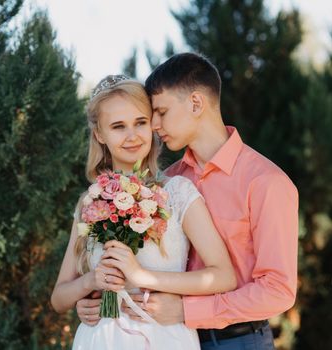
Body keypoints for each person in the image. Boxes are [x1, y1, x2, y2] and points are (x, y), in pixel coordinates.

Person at [76, 54, 299, 349]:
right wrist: (93, 301)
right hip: (169, 336)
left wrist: (187, 311)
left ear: (195, 104)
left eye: (162, 112)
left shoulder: (266, 182)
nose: (154, 125)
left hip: (237, 339)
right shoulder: (166, 184)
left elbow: (278, 290)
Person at [51, 75, 237, 350]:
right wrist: (90, 282)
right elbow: (59, 298)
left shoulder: (177, 193)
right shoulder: (90, 202)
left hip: (164, 338)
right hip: (100, 340)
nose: (132, 135)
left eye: (140, 122)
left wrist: (143, 277)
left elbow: (224, 276)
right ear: (100, 134)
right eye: (118, 126)